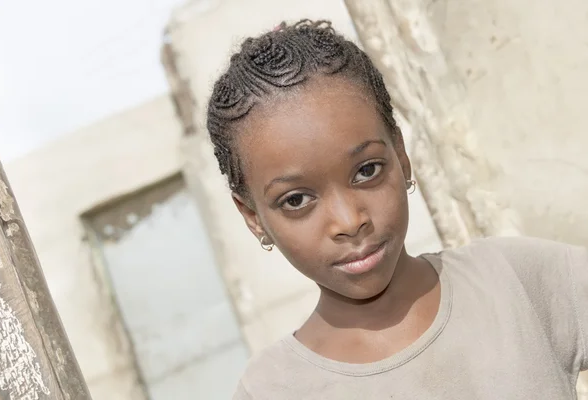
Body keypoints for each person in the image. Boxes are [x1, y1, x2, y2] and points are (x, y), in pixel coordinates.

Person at [206, 19, 588, 399]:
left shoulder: (514, 281)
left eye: (366, 171)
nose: (349, 221)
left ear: (401, 156)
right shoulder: (273, 389)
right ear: (254, 218)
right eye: (296, 200)